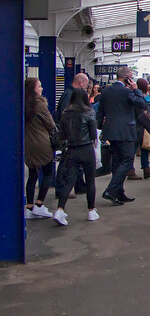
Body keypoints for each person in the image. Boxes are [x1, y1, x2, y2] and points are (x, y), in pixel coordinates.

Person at [96, 67, 146, 205]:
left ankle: (119, 193)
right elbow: (141, 104)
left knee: (117, 162)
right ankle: (111, 190)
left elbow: (100, 112)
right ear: (127, 78)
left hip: (111, 132)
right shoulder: (127, 92)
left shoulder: (105, 91)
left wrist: (99, 128)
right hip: (125, 131)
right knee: (128, 160)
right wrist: (136, 89)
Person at [53, 89, 99, 226]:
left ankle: (60, 209)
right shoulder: (89, 112)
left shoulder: (65, 113)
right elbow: (93, 134)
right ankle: (91, 211)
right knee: (90, 181)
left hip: (72, 150)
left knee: (69, 181)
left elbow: (62, 135)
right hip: (86, 149)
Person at [54, 72, 90, 200]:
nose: (87, 87)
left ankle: (79, 185)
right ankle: (61, 189)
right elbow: (66, 116)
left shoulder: (69, 93)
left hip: (72, 134)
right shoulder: (70, 95)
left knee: (74, 161)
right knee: (65, 162)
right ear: (81, 83)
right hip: (69, 135)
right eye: (86, 84)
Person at [24, 78, 56, 219]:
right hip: (42, 143)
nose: (41, 89)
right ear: (33, 89)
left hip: (28, 144)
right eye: (40, 86)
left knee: (32, 175)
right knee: (48, 173)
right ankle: (39, 204)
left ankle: (29, 207)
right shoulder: (40, 104)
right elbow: (50, 124)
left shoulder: (22, 103)